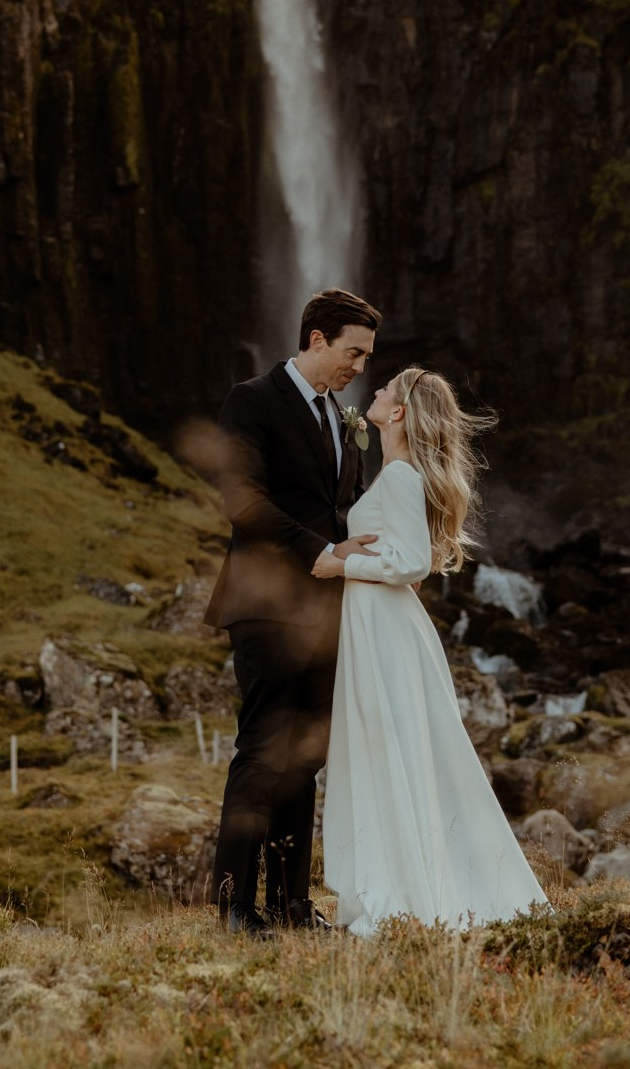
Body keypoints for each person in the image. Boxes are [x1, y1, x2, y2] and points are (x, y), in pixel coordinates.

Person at [315, 364, 547, 937]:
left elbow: (411, 565)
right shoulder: (398, 473)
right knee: (394, 751)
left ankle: (405, 893)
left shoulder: (400, 477)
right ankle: (405, 882)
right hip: (383, 625)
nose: (374, 389)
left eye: (386, 387)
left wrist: (339, 564)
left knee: (389, 751)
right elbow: (407, 562)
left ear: (398, 413)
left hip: (385, 631)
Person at [204, 289, 381, 934]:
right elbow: (241, 501)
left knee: (304, 759)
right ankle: (232, 906)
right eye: (352, 352)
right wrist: (320, 551)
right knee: (260, 753)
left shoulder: (343, 418)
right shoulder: (250, 401)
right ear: (316, 338)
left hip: (328, 610)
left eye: (365, 356)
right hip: (267, 605)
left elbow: (345, 508)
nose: (359, 367)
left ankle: (289, 906)